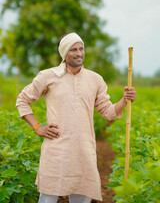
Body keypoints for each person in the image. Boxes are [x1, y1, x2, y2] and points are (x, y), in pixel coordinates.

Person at [16, 32, 136, 203]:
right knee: (48, 196)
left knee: (82, 195)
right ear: (64, 54)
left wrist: (124, 100)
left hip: (83, 149)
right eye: (74, 49)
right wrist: (38, 127)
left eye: (81, 49)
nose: (79, 53)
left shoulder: (95, 79)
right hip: (56, 149)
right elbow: (22, 100)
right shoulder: (48, 76)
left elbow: (108, 111)